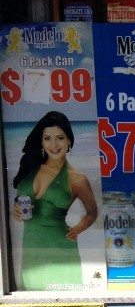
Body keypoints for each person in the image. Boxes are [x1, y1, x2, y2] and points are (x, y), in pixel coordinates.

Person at [11, 111, 98, 291]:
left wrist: (76, 230)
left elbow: (92, 213)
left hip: (61, 250)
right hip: (31, 249)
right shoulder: (29, 168)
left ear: (69, 141)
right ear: (42, 142)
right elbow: (18, 203)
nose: (54, 144)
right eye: (47, 138)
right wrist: (16, 211)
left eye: (59, 138)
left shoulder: (77, 178)